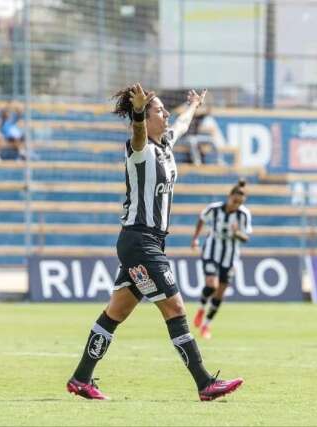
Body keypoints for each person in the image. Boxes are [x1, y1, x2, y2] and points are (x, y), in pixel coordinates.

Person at [66, 84, 244, 402]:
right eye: (159, 110)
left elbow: (183, 124)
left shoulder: (166, 145)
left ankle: (81, 378)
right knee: (175, 308)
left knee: (115, 313)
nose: (165, 114)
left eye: (163, 109)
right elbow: (136, 131)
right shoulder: (140, 150)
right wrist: (137, 112)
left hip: (149, 243)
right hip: (140, 242)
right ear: (145, 120)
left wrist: (193, 105)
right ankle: (204, 383)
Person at [191, 180, 252, 339]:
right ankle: (201, 309)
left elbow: (245, 237)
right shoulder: (215, 209)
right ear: (229, 196)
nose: (236, 205)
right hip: (212, 251)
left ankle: (206, 325)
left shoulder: (243, 215)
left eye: (240, 203)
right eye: (235, 201)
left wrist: (237, 233)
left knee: (221, 292)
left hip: (230, 257)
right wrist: (195, 238)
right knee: (212, 284)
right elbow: (202, 219)